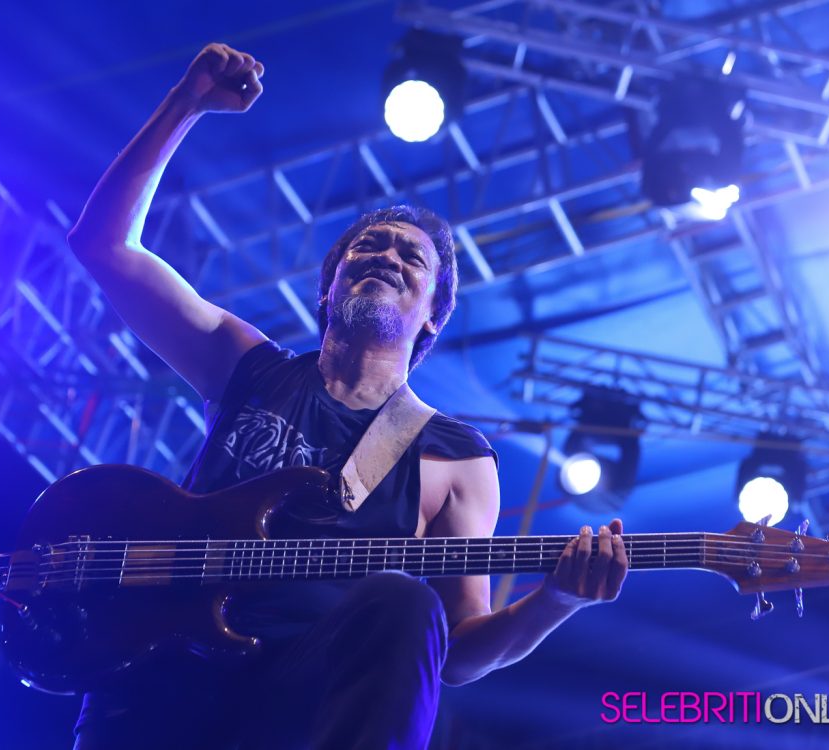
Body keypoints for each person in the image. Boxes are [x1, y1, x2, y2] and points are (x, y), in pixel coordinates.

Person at [66, 43, 628, 750]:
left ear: (433, 316)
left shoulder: (455, 459)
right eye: (368, 246)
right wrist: (185, 105)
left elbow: (455, 649)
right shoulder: (250, 367)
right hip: (162, 674)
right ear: (328, 288)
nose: (386, 255)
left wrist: (557, 600)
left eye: (411, 257)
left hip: (302, 704)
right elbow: (104, 246)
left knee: (404, 601)